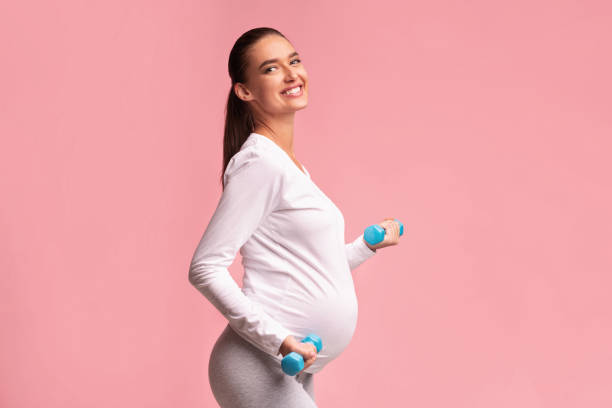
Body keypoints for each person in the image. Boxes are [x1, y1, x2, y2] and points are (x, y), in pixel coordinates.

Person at [188, 27, 401, 408]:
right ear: (244, 90)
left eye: (295, 61)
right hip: (260, 360)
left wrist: (366, 246)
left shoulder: (288, 167)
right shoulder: (259, 163)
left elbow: (315, 268)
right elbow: (205, 268)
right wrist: (279, 339)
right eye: (271, 68)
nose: (291, 74)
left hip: (293, 364)